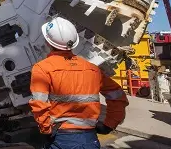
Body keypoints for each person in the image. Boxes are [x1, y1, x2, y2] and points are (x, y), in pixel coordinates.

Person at [29, 16, 129, 149]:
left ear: (48, 42)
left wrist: (46, 129)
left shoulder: (42, 68)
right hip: (89, 138)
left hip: (60, 138)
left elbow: (39, 104)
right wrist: (108, 124)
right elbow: (118, 96)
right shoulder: (93, 69)